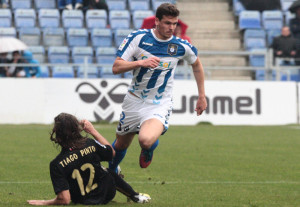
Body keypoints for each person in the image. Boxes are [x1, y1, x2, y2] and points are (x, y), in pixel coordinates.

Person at [109, 3, 207, 172]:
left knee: (145, 140)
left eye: (175, 23)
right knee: (121, 143)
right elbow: (116, 67)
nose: (172, 28)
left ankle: (148, 149)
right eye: (168, 23)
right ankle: (112, 171)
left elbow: (197, 65)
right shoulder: (139, 38)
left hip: (159, 103)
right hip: (134, 99)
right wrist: (140, 62)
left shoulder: (181, 46)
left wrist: (202, 96)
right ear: (156, 21)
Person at [27, 113, 151, 205]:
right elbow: (111, 152)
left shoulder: (56, 164)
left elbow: (64, 200)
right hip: (107, 193)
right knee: (107, 171)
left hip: (82, 200)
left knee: (80, 171)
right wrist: (92, 131)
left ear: (57, 135)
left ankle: (133, 194)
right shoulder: (89, 143)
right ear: (76, 129)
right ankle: (135, 196)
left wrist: (45, 202)